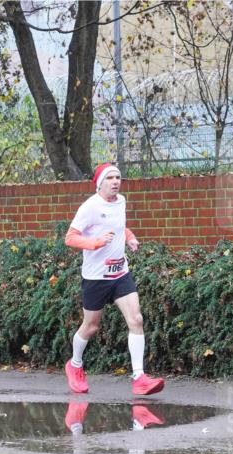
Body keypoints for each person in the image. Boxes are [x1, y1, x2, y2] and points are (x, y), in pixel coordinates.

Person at [64, 163, 164, 396]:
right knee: (91, 327)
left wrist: (129, 237)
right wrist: (94, 243)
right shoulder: (89, 207)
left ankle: (139, 377)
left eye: (118, 177)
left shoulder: (121, 201)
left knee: (136, 319)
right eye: (110, 178)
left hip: (120, 274)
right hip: (96, 278)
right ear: (100, 183)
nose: (116, 181)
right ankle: (75, 365)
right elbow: (70, 238)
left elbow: (118, 226)